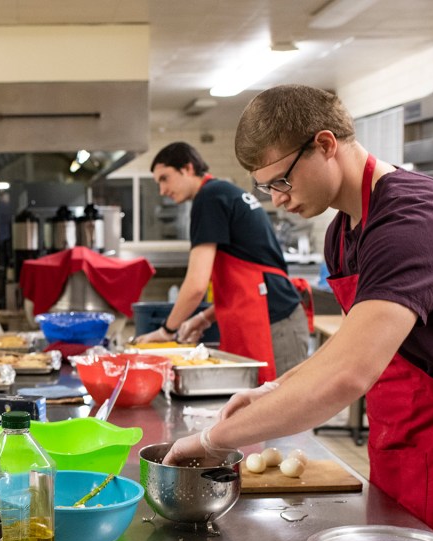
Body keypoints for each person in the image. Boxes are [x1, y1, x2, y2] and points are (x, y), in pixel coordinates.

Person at [165, 84, 433, 541]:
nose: (279, 201)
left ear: (326, 144)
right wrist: (273, 392)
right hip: (401, 440)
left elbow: (349, 374)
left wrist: (214, 440)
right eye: (268, 188)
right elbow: (349, 347)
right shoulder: (345, 229)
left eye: (282, 181)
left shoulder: (415, 219)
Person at [132, 142, 310, 383]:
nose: (162, 190)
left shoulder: (209, 198)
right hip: (276, 316)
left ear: (187, 168)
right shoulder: (224, 192)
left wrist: (166, 331)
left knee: (284, 410)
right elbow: (247, 278)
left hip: (275, 324)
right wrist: (202, 319)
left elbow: (196, 285)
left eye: (165, 178)